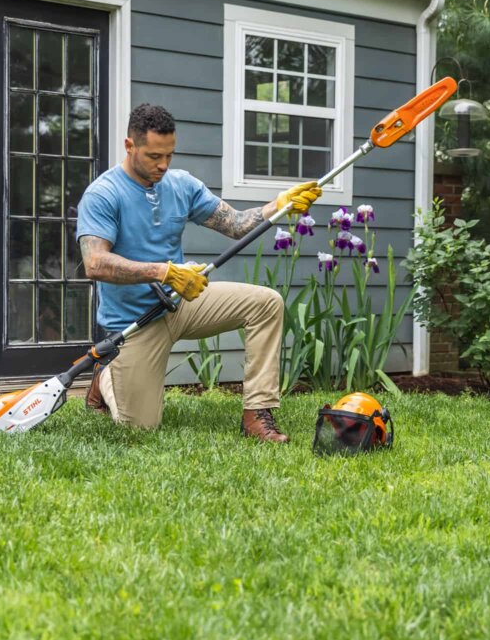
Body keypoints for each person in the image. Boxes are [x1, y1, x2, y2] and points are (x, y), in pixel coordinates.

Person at [76, 104, 321, 442]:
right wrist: (164, 271)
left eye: (169, 155)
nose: (163, 165)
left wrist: (278, 206)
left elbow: (235, 225)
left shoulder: (181, 185)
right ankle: (106, 376)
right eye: (153, 156)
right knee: (140, 428)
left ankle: (256, 414)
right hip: (136, 322)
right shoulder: (104, 194)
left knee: (266, 303)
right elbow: (95, 263)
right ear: (129, 146)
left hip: (182, 303)